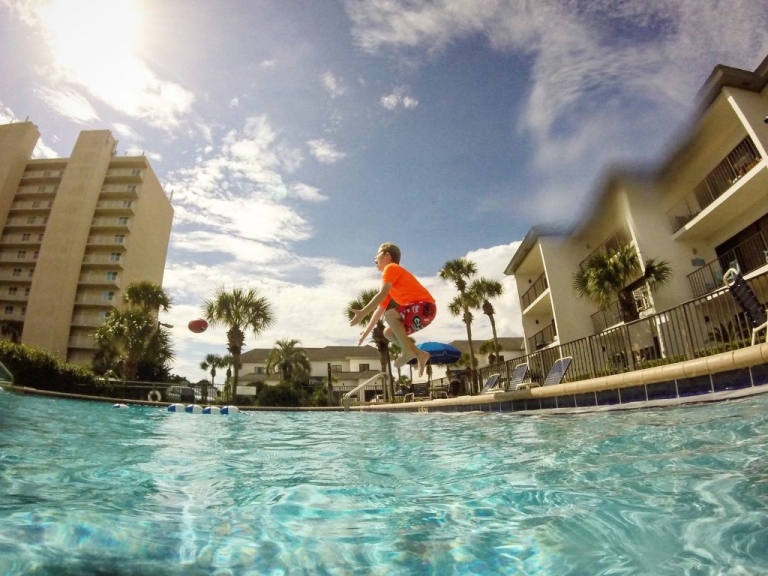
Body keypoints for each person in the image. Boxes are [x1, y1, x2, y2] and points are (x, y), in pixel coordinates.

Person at [350, 243, 436, 377]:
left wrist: (362, 312)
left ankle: (407, 351)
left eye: (377, 254)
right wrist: (365, 333)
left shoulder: (391, 268)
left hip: (425, 307)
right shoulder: (392, 281)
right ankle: (420, 354)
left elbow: (381, 294)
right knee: (388, 332)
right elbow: (379, 310)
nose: (374, 258)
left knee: (390, 315)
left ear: (387, 256)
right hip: (423, 313)